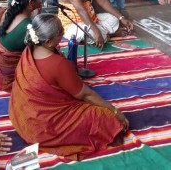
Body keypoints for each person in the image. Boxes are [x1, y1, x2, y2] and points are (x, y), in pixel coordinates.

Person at [9, 14, 129, 161]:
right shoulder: (58, 64)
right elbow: (85, 94)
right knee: (105, 119)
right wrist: (116, 112)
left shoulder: (28, 52)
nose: (63, 34)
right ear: (48, 41)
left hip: (23, 118)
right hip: (45, 128)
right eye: (60, 32)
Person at [0, 0, 41, 92]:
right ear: (31, 3)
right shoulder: (28, 26)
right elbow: (40, 50)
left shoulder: (7, 12)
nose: (40, 0)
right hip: (11, 80)